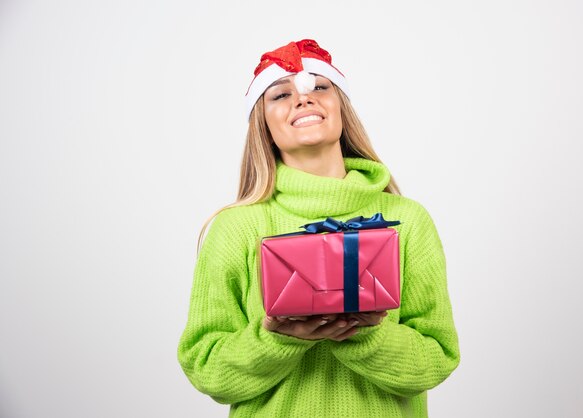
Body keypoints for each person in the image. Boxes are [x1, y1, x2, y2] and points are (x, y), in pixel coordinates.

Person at [177, 39, 460, 418]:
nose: (304, 98)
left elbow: (437, 359)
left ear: (341, 107)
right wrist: (277, 338)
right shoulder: (237, 228)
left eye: (319, 87)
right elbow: (205, 367)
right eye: (280, 94)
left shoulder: (407, 221)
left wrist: (366, 333)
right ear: (263, 124)